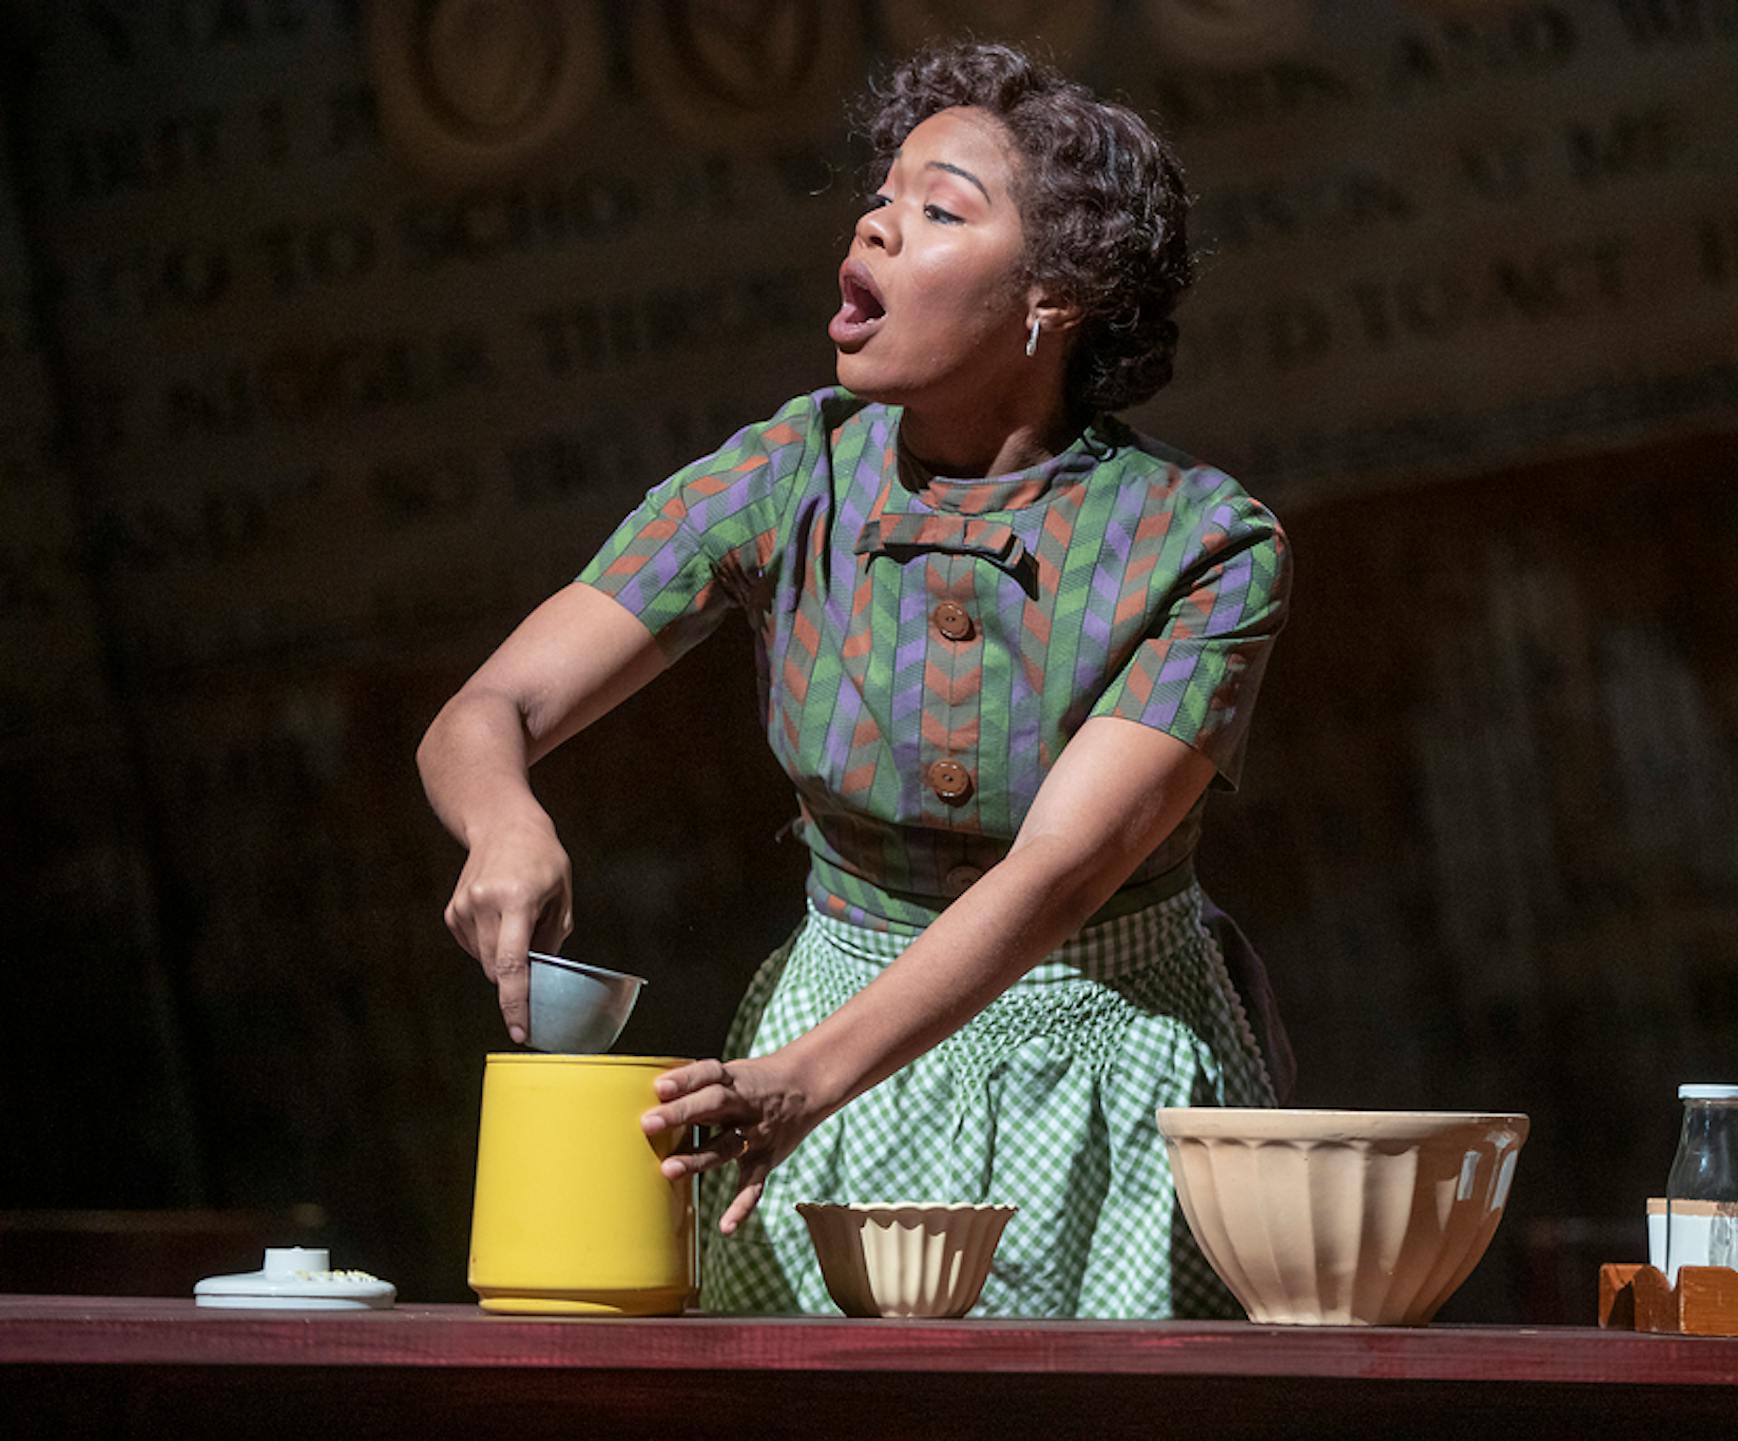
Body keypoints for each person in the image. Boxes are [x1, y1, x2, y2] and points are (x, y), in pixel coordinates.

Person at [417, 41, 1291, 1319]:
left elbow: (1059, 873)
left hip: (1095, 1067)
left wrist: (804, 1081)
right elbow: (486, 711)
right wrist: (503, 820)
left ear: (1056, 295)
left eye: (940, 208)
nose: (879, 221)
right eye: (882, 196)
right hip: (821, 1057)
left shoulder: (1203, 543)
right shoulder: (786, 474)